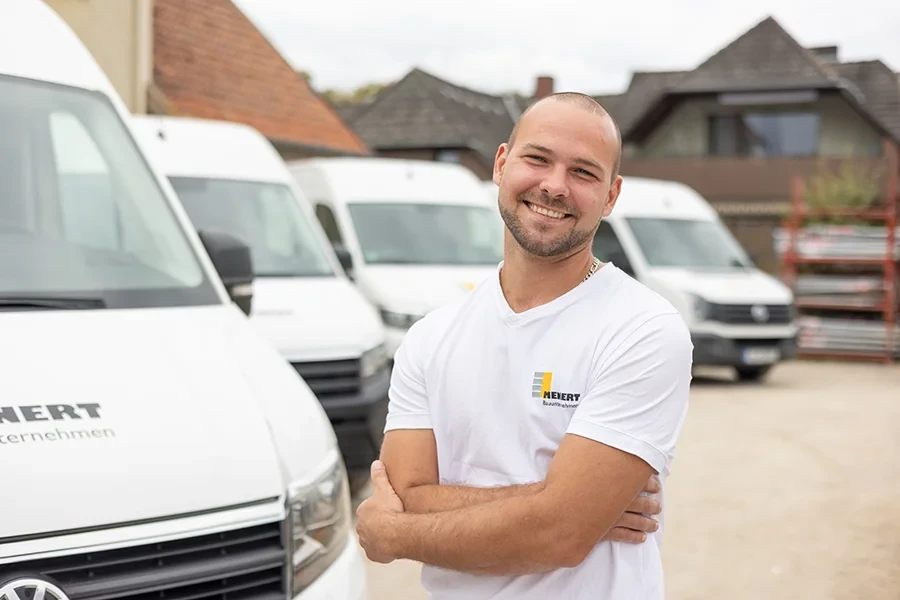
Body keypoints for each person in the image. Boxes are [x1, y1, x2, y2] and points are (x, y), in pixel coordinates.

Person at [355, 92, 693, 599]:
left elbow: (560, 534)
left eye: (583, 172)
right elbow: (405, 493)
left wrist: (398, 533)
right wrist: (561, 504)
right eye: (537, 159)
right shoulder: (430, 338)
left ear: (611, 195)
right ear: (501, 163)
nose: (554, 186)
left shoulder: (643, 329)